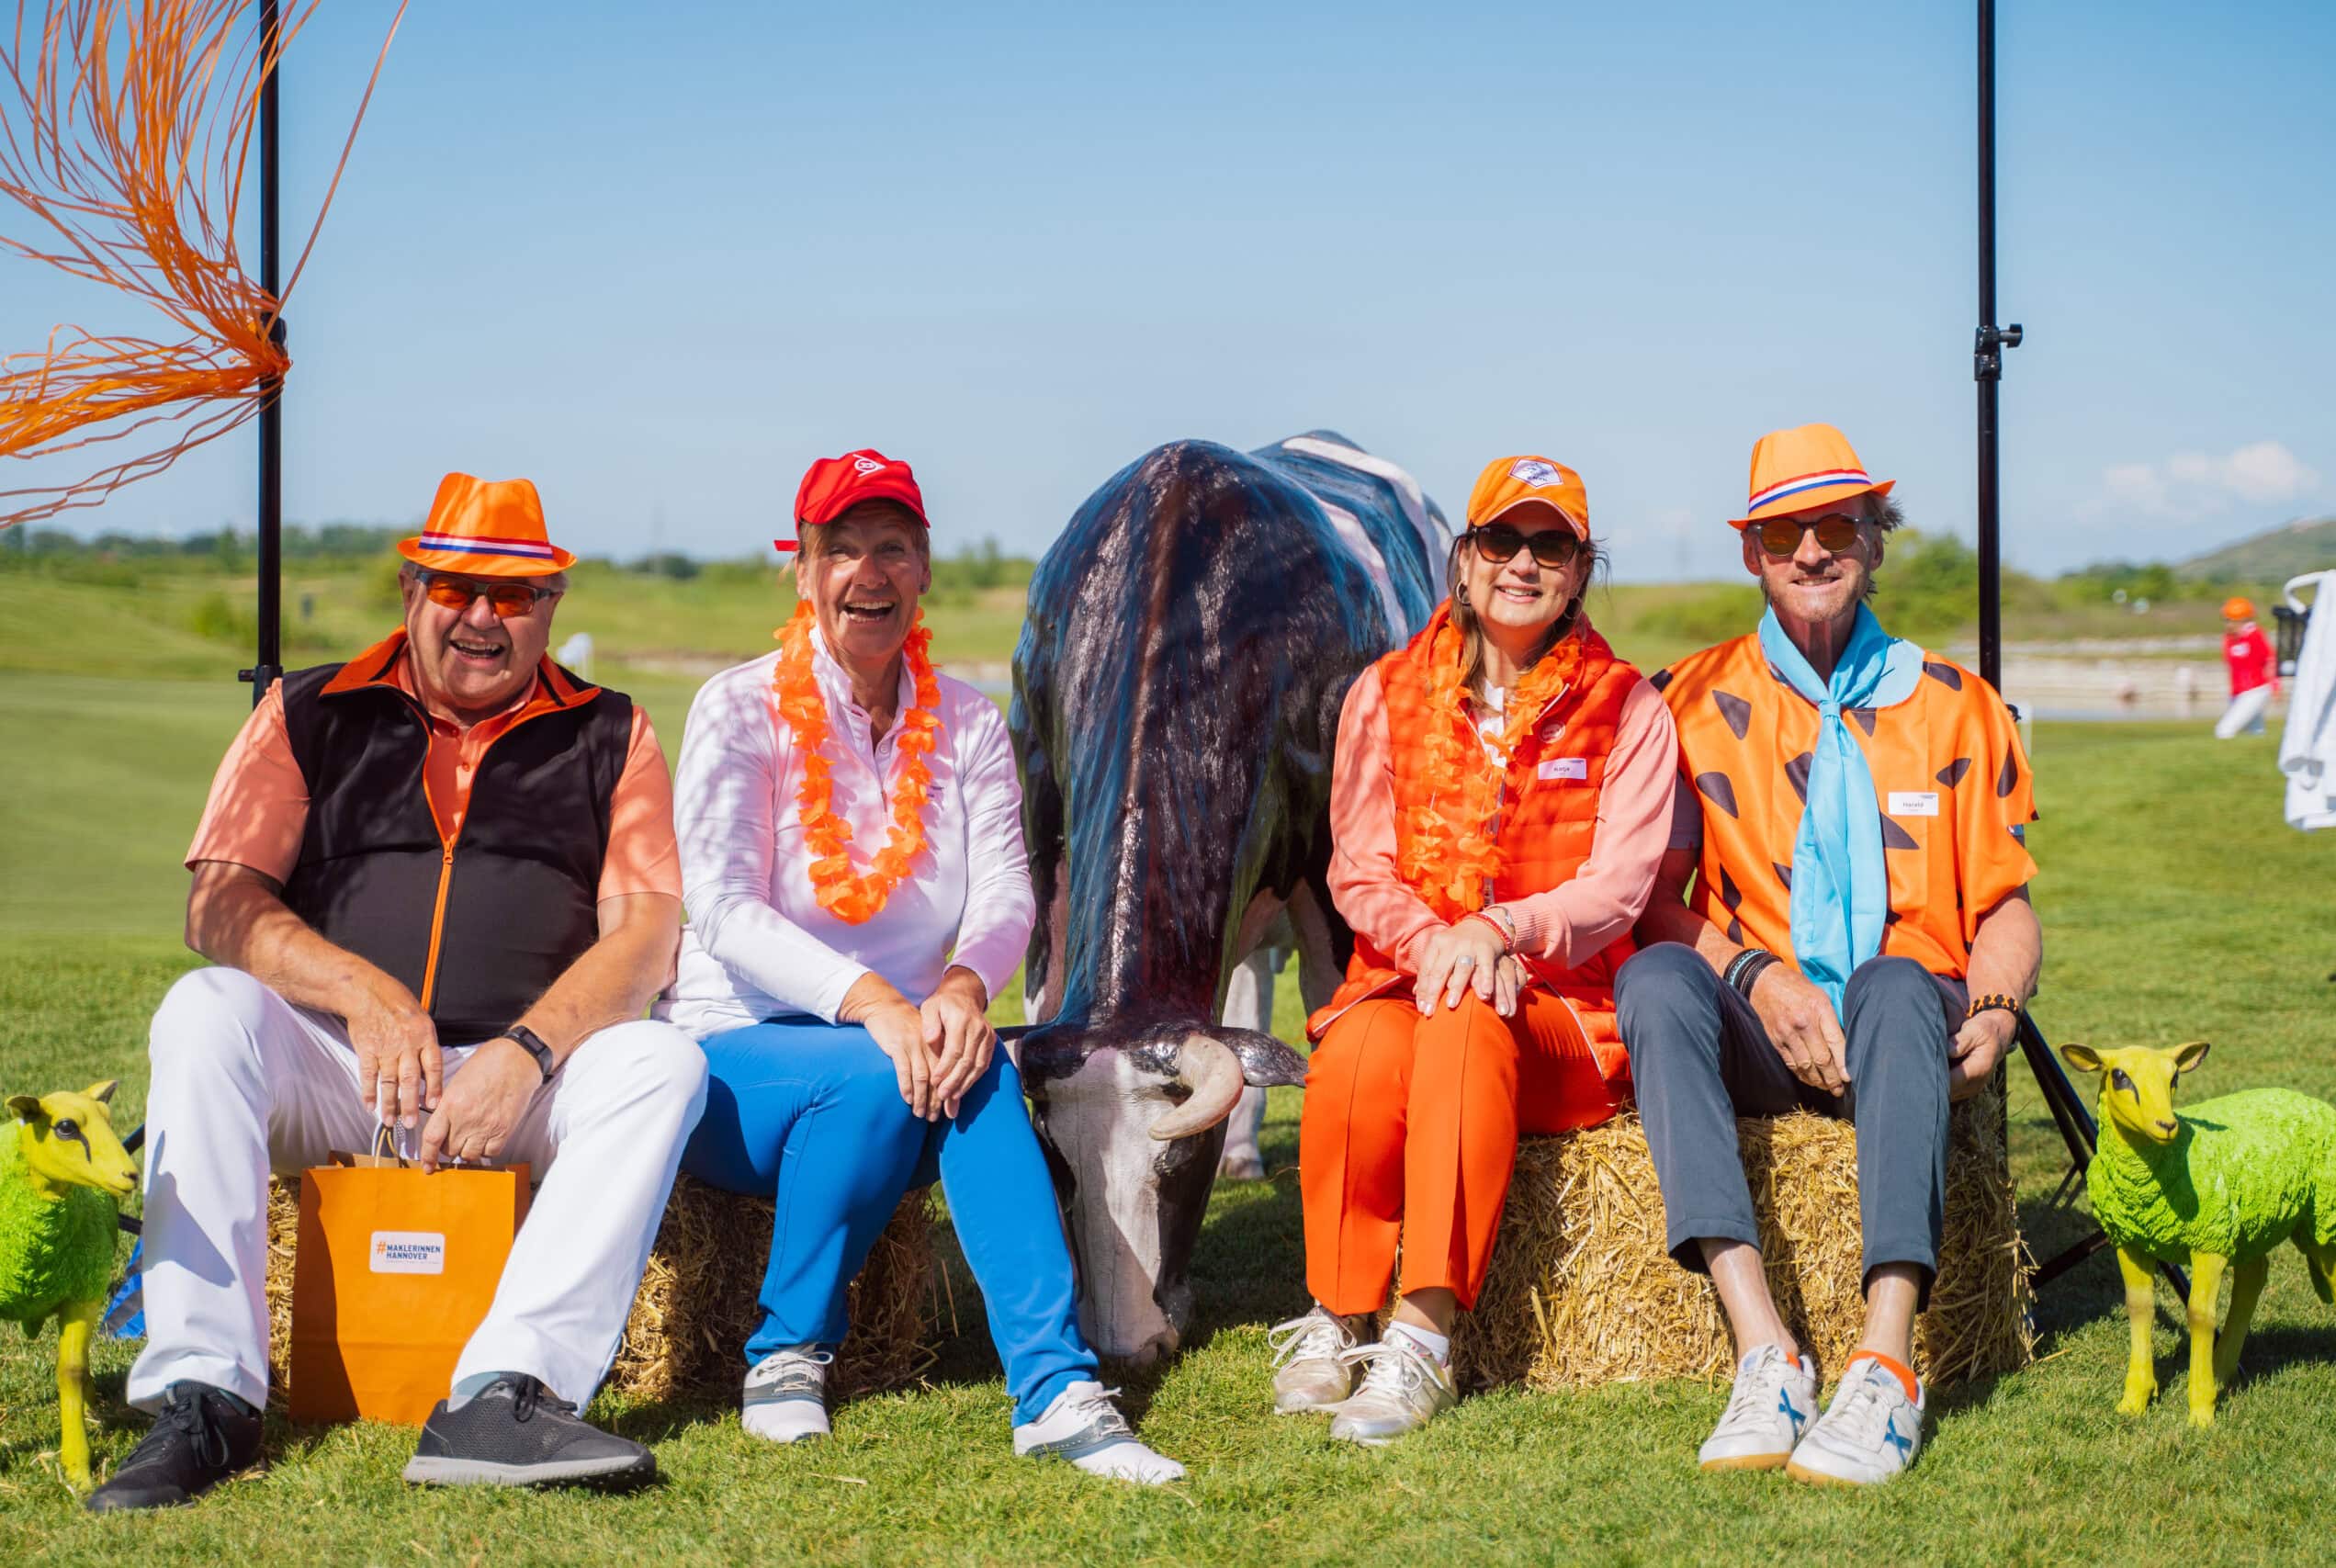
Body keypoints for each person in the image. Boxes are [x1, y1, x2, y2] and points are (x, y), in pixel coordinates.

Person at [93, 475, 708, 1513]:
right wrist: (360, 993)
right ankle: (207, 1394)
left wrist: (525, 1051)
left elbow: (647, 934)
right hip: (339, 1065)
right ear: (411, 586)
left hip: (523, 1081)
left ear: (550, 605)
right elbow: (221, 903)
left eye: (511, 598)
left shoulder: (614, 729)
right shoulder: (307, 709)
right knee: (203, 1007)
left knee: (662, 1060)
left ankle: (503, 1390)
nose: (480, 617)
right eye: (456, 588)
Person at [662, 448, 1183, 1485]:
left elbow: (1006, 895)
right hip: (740, 1057)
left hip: (907, 1050)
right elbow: (720, 909)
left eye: (891, 548)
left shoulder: (971, 724)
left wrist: (954, 992)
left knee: (973, 1065)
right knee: (880, 1069)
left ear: (925, 567)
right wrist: (870, 1004)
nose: (869, 572)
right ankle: (785, 1351)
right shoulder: (738, 709)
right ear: (801, 572)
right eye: (841, 549)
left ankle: (1055, 1392)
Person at [1616, 423, 2042, 1486]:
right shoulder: (1680, 701)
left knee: (1899, 981)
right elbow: (1651, 903)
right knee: (1655, 975)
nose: (1810, 550)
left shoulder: (1958, 705)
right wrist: (1757, 980)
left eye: (1835, 525)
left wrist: (1992, 1006)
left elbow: (2007, 906)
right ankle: (1764, 1351)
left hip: (1908, 1035)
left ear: (1875, 541)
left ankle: (1887, 1360)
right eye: (1781, 532)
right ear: (1749, 554)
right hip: (1764, 1031)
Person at [1269, 455, 1676, 1445]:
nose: (1522, 563)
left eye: (1551, 545)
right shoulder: (1382, 693)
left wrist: (1503, 931)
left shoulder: (1628, 707)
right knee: (1356, 1052)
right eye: (1502, 539)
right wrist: (1444, 945)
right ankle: (1339, 1308)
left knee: (1463, 1022)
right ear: (1462, 558)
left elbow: (1618, 888)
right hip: (1407, 983)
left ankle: (1422, 1336)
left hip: (1564, 1016)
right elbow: (1358, 871)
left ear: (1581, 570)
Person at [2216, 595, 2279, 739]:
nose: (2226, 623)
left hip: (2256, 690)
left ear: (2239, 619)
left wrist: (2275, 685)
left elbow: (2270, 659)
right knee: (2256, 733)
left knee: (2224, 730)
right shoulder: (2229, 639)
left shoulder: (2255, 636)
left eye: (2228, 619)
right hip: (2239, 693)